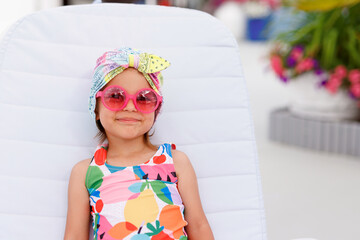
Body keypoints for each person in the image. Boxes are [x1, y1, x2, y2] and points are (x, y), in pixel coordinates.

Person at [64, 47, 214, 240]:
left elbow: (199, 226)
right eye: (116, 96)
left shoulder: (176, 162)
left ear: (156, 109)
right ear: (96, 108)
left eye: (143, 99)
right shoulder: (84, 172)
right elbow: (74, 235)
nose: (129, 107)